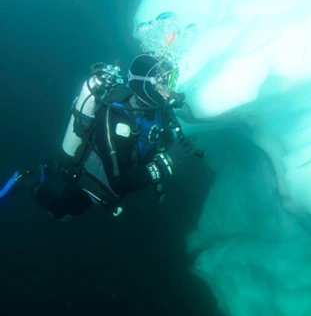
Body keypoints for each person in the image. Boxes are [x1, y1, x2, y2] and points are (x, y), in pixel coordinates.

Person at [0, 53, 202, 220]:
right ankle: (29, 182)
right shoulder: (115, 117)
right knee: (62, 214)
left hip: (128, 165)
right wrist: (165, 165)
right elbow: (119, 185)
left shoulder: (159, 106)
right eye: (166, 81)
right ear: (147, 84)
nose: (171, 89)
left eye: (173, 78)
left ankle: (52, 166)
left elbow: (159, 140)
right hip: (97, 171)